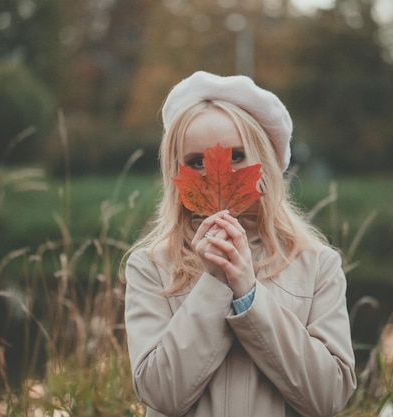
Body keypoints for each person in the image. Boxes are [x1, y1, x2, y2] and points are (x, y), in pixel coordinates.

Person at [123, 71, 356, 417]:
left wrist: (248, 293)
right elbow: (160, 393)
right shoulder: (151, 268)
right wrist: (214, 283)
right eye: (195, 162)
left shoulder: (317, 265)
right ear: (177, 175)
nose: (217, 175)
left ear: (265, 165)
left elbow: (330, 395)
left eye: (236, 156)